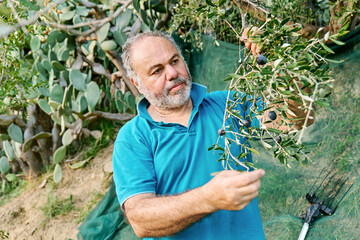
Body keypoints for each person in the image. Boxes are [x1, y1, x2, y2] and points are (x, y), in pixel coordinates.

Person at [112, 31, 310, 239]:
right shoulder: (133, 138)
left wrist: (281, 65)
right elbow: (141, 221)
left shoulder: (228, 105)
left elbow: (293, 120)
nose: (171, 73)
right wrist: (208, 198)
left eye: (174, 60)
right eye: (157, 71)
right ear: (137, 84)